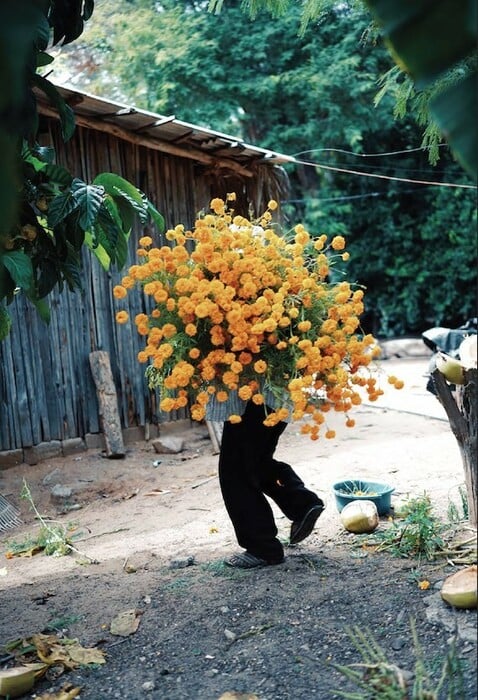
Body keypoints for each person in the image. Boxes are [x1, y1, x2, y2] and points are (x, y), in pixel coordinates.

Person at [212, 399, 324, 569]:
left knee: (235, 469)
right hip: (274, 393)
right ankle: (302, 504)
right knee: (255, 461)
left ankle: (262, 547)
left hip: (254, 392)